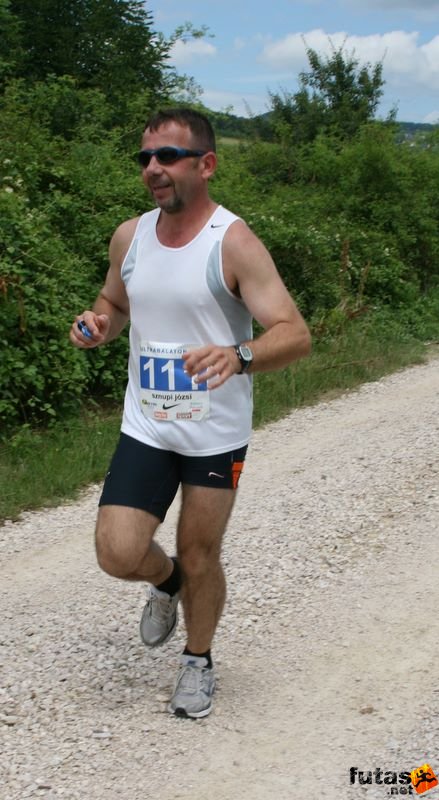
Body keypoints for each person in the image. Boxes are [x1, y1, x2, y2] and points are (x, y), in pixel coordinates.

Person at [70, 107, 311, 719]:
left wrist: (240, 354)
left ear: (206, 164)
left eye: (168, 156)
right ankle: (167, 583)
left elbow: (294, 332)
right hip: (147, 422)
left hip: (214, 435)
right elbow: (113, 299)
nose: (153, 168)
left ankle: (198, 661)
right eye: (145, 157)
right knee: (118, 552)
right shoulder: (131, 235)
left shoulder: (232, 241)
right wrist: (100, 323)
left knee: (202, 553)